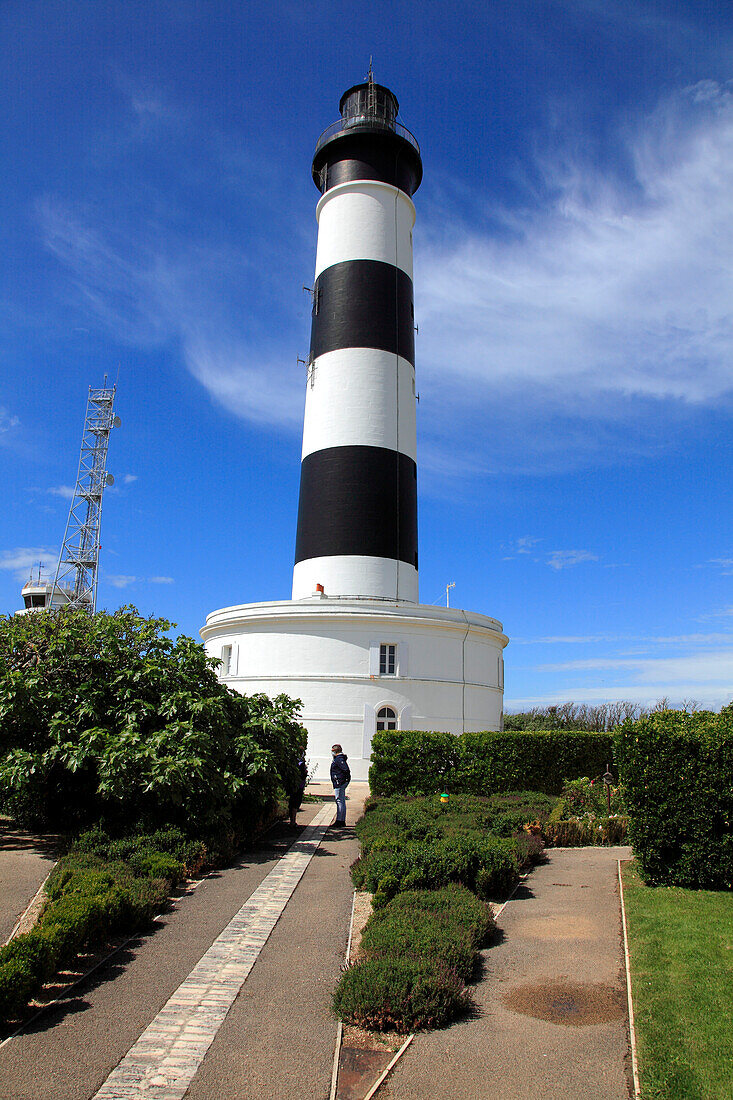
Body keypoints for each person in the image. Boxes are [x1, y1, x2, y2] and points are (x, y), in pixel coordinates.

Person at [330, 743, 351, 827]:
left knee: (339, 800)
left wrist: (341, 779)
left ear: (335, 751)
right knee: (341, 800)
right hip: (340, 781)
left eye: (332, 751)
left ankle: (339, 820)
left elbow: (345, 769)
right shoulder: (339, 759)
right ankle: (341, 820)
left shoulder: (339, 759)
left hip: (339, 782)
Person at [287, 747, 308, 827]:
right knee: (295, 803)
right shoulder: (300, 763)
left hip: (295, 784)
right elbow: (302, 774)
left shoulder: (293, 761)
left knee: (293, 803)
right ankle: (293, 822)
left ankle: (292, 821)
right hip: (298, 785)